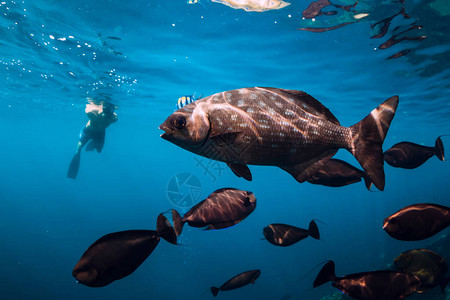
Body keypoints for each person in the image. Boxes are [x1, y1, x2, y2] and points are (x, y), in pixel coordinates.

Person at [67, 101, 118, 179]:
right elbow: (88, 107)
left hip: (100, 133)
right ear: (102, 109)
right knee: (78, 149)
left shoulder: (114, 118)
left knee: (99, 150)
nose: (107, 115)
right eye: (106, 111)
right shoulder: (92, 112)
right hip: (88, 131)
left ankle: (93, 143)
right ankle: (73, 169)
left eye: (109, 113)